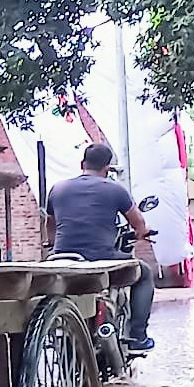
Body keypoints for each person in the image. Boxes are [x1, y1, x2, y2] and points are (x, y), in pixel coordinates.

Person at [44, 144, 156, 353]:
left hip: (61, 259)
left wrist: (52, 244)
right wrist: (142, 233)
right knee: (145, 273)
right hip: (102, 259)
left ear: (82, 164)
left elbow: (50, 225)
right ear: (107, 169)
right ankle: (138, 337)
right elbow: (138, 223)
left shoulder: (57, 188)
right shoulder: (115, 190)